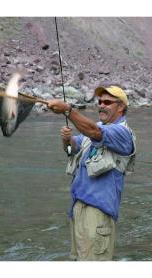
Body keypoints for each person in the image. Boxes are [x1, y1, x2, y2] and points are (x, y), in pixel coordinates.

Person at [47, 85, 136, 261]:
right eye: (100, 101)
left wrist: (67, 110)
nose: (101, 105)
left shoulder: (122, 133)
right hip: (78, 208)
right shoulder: (93, 128)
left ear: (121, 107)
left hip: (98, 212)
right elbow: (72, 150)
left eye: (107, 102)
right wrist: (67, 140)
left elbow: (96, 133)